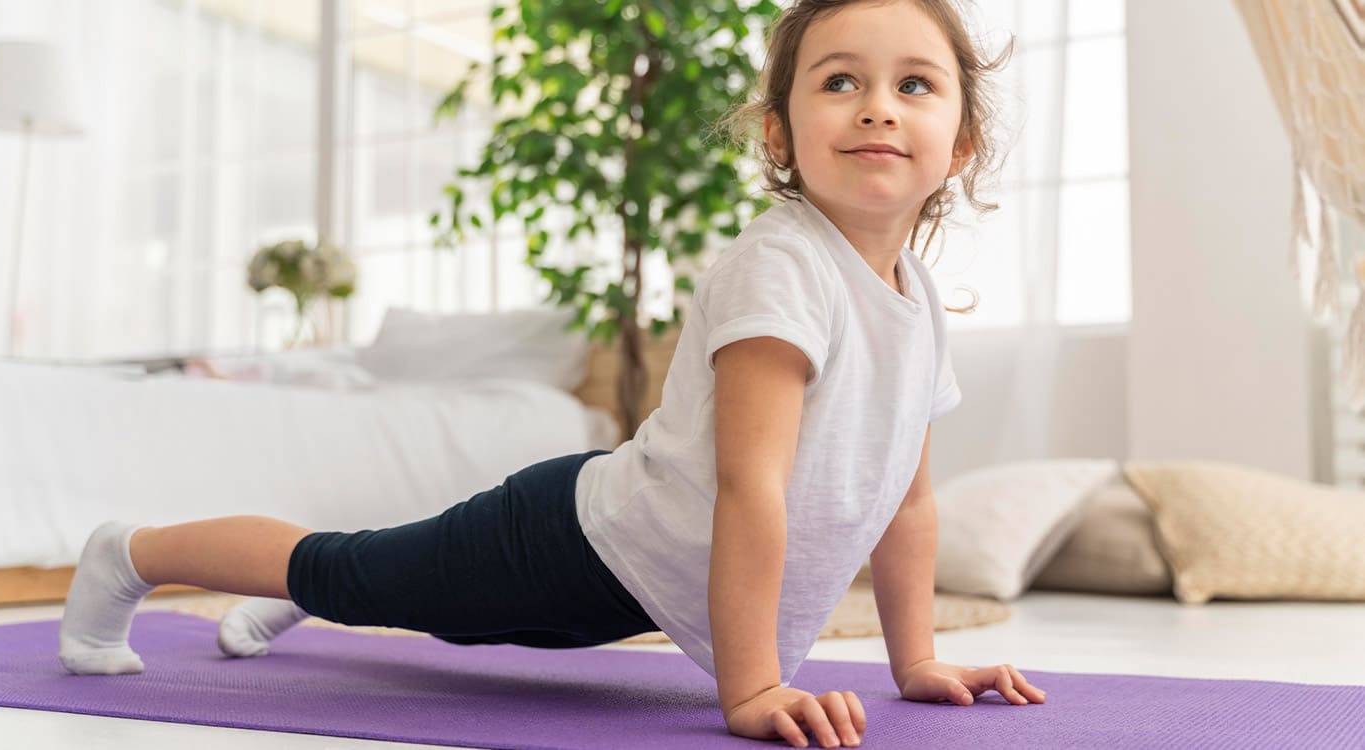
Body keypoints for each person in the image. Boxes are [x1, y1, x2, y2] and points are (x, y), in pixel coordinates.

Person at [57, 1, 1048, 746]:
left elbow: (907, 502)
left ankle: (331, 589)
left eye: (914, 85)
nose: (878, 107)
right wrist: (749, 691)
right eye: (839, 81)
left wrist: (913, 663)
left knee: (390, 579)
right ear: (781, 134)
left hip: (640, 578)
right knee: (349, 567)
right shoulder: (784, 266)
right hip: (577, 540)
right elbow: (754, 484)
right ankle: (129, 553)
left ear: (959, 143)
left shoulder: (915, 296)